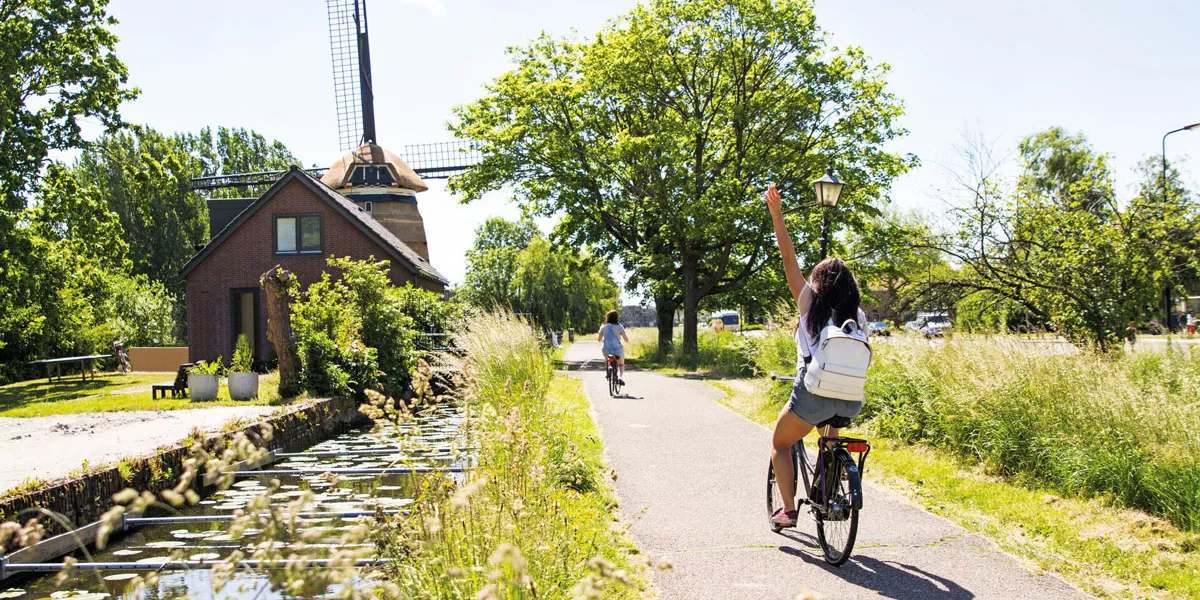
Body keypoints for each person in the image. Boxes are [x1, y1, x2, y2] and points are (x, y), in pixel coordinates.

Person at [764, 184, 869, 528]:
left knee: (781, 442)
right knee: (830, 432)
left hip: (813, 392)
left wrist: (777, 215)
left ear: (819, 283)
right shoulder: (859, 317)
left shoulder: (810, 305)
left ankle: (788, 510)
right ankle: (827, 491)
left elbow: (788, 259)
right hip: (851, 399)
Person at [598, 310, 630, 384]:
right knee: (621, 364)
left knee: (607, 359)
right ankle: (620, 377)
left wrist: (604, 339)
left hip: (606, 350)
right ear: (616, 318)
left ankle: (608, 369)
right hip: (617, 350)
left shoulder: (603, 326)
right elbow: (626, 339)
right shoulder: (619, 326)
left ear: (607, 317)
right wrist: (627, 341)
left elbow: (599, 339)